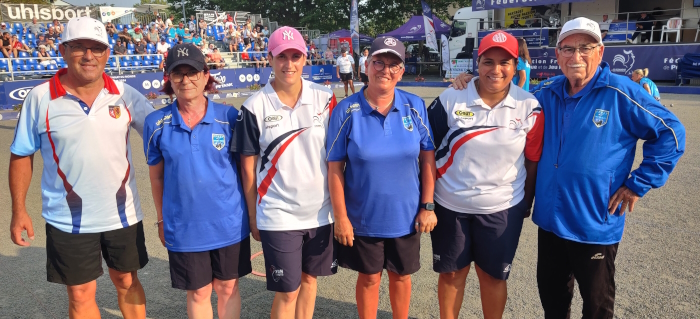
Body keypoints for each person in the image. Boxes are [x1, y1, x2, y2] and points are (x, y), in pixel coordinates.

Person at [451, 17, 686, 319]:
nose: (576, 56)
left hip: (594, 223)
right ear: (558, 54)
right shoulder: (546, 92)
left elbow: (671, 131)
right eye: (568, 49)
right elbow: (505, 99)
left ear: (600, 52)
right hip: (550, 222)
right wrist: (471, 82)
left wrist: (639, 182)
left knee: (597, 305)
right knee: (553, 299)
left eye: (585, 48)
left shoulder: (620, 92)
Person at [9, 17, 154, 319]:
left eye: (97, 48)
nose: (89, 56)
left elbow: (164, 137)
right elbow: (21, 154)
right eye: (79, 47)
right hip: (67, 218)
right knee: (79, 293)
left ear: (107, 54)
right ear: (63, 50)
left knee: (127, 281)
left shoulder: (126, 94)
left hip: (122, 213)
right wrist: (19, 210)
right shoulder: (40, 98)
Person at [427, 30, 543, 319]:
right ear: (477, 64)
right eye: (488, 62)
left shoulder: (529, 106)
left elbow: (532, 161)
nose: (496, 70)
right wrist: (426, 201)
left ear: (516, 66)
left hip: (503, 208)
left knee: (493, 278)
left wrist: (525, 203)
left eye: (505, 63)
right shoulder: (452, 97)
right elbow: (426, 148)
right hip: (450, 206)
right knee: (452, 276)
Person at [231, 26, 338, 319]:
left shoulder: (325, 98)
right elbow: (248, 169)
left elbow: (337, 156)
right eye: (281, 57)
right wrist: (253, 216)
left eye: (295, 56)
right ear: (269, 58)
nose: (288, 64)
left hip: (320, 212)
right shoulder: (254, 107)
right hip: (278, 214)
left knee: (309, 281)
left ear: (305, 58)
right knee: (288, 290)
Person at [327, 36, 436, 319]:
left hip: (406, 215)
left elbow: (427, 158)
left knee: (401, 277)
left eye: (393, 65)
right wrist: (341, 217)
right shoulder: (346, 110)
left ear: (401, 71)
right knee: (370, 278)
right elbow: (335, 167)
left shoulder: (414, 105)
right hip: (363, 217)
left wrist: (427, 206)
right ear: (367, 65)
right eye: (379, 62)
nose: (385, 70)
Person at [143, 43, 250, 319]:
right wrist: (161, 219)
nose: (185, 80)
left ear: (205, 75)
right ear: (169, 78)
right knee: (199, 292)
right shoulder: (156, 123)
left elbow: (245, 169)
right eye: (178, 74)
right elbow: (156, 177)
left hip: (229, 222)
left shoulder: (230, 118)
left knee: (228, 287)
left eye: (192, 72)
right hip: (185, 225)